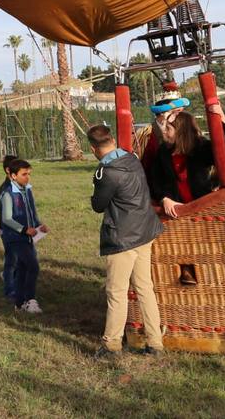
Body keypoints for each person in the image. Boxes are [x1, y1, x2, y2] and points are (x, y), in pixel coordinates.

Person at [88, 124, 165, 357]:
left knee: (116, 291)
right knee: (145, 288)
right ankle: (155, 342)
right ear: (112, 139)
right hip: (145, 230)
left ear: (93, 149)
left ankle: (111, 344)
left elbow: (98, 205)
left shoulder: (106, 172)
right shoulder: (131, 158)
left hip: (123, 237)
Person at [145, 109, 218, 218]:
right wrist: (164, 198)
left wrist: (220, 117)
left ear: (180, 132)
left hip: (203, 210)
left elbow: (224, 149)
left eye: (168, 128)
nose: (164, 131)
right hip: (176, 213)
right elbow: (155, 180)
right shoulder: (163, 152)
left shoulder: (201, 148)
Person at [0, 156, 47, 313]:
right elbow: (6, 218)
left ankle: (19, 303)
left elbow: (32, 211)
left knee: (24, 268)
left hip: (27, 237)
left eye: (29, 174)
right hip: (15, 238)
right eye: (24, 174)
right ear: (13, 175)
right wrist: (24, 229)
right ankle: (30, 299)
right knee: (33, 266)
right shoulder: (7, 193)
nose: (27, 177)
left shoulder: (27, 190)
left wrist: (38, 225)